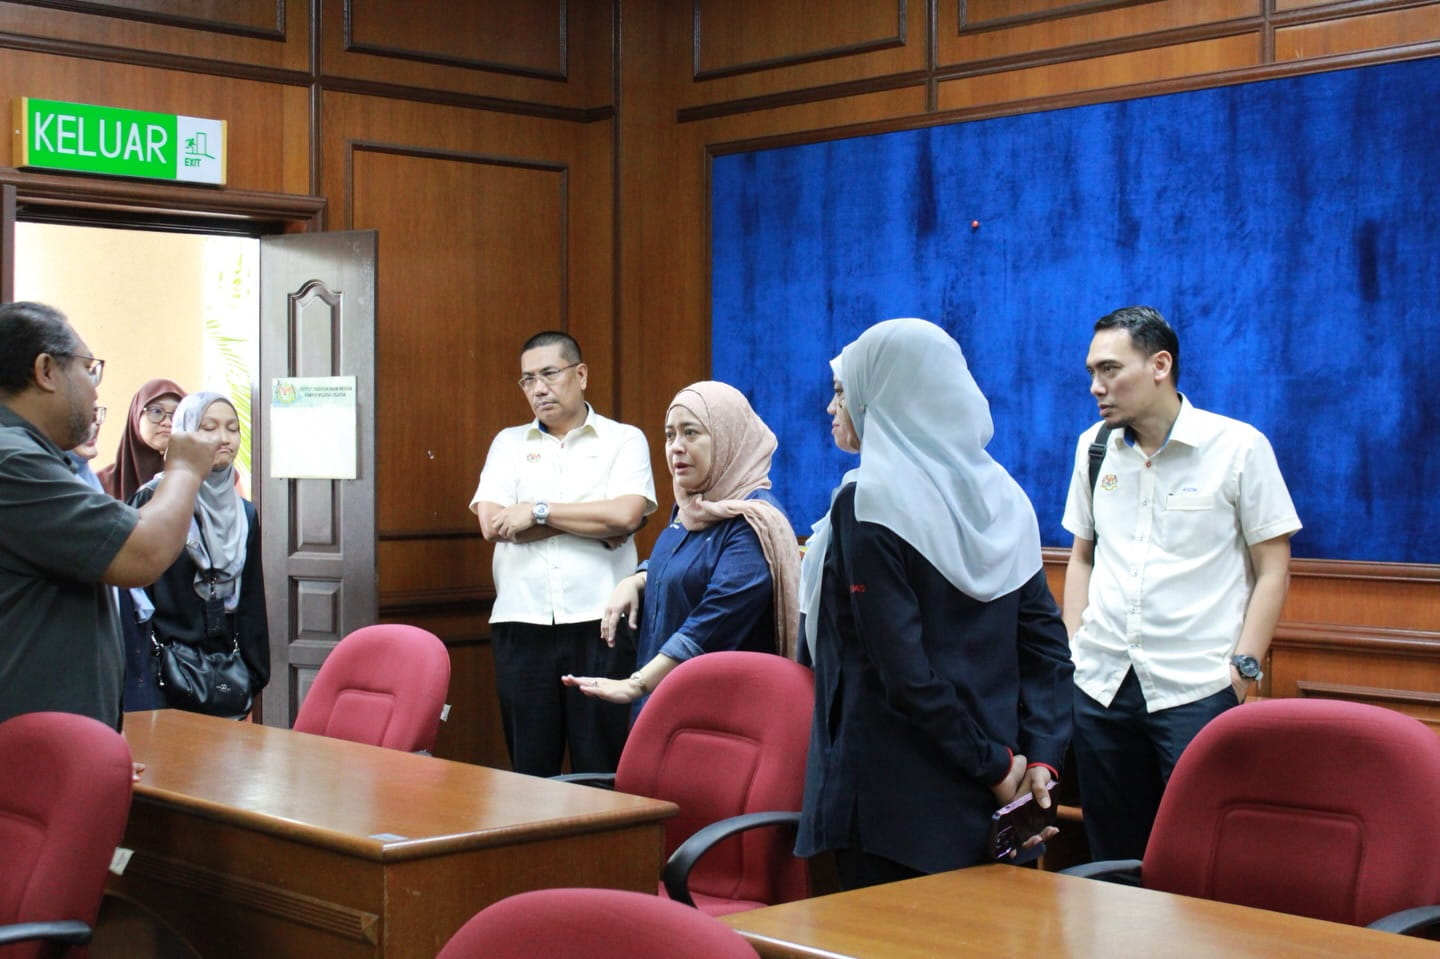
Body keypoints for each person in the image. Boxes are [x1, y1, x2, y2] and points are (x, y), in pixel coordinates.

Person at [796, 317, 1074, 890]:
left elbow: (905, 677)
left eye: (844, 389)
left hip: (898, 806)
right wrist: (1040, 763)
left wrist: (999, 767)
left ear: (884, 394)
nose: (831, 406)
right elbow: (1048, 651)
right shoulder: (1006, 498)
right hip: (1000, 794)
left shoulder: (869, 501)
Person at [1061, 305, 1301, 862]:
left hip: (1196, 689)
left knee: (1200, 857)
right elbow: (1082, 557)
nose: (1096, 386)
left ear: (1160, 365)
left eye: (1110, 369)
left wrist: (1241, 673)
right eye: (1092, 372)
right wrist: (1073, 653)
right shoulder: (1093, 448)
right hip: (1101, 685)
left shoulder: (1238, 447)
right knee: (1112, 858)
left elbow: (1273, 568)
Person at [0, 301, 220, 728]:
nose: (96, 390)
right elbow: (141, 554)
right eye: (89, 369)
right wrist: (184, 469)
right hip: (29, 751)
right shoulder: (15, 463)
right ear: (46, 370)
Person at [470, 331, 657, 777]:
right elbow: (494, 525)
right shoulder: (509, 444)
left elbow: (626, 514)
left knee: (602, 766)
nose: (538, 388)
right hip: (521, 623)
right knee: (530, 773)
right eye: (528, 379)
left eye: (549, 374)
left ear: (581, 374)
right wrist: (595, 525)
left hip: (602, 623)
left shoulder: (623, 439)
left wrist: (536, 511)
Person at [562, 380, 801, 707]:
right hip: (665, 699)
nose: (676, 446)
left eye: (691, 433)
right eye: (669, 435)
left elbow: (712, 622)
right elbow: (685, 563)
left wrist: (635, 685)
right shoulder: (693, 508)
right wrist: (638, 579)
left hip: (722, 712)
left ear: (728, 437)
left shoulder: (752, 523)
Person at [130, 391, 270, 718]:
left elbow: (251, 603)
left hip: (222, 674)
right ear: (185, 436)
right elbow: (137, 595)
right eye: (208, 428)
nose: (224, 438)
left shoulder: (244, 514)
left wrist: (253, 675)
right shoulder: (154, 500)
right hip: (162, 676)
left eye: (233, 428)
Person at [98, 377, 186, 501]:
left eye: (178, 414)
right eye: (156, 411)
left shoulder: (197, 481)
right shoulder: (100, 485)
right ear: (136, 416)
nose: (167, 422)